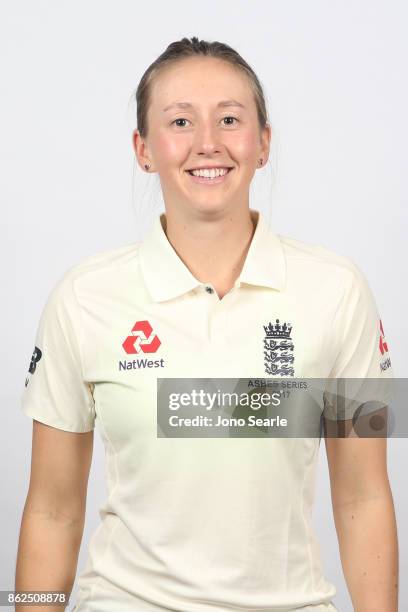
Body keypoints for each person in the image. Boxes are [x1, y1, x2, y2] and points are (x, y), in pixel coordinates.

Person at [15, 37, 398, 612]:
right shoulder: (84, 296)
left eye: (228, 118)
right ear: (143, 149)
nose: (207, 144)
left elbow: (363, 495)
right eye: (179, 121)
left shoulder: (338, 289)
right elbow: (52, 508)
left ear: (263, 142)